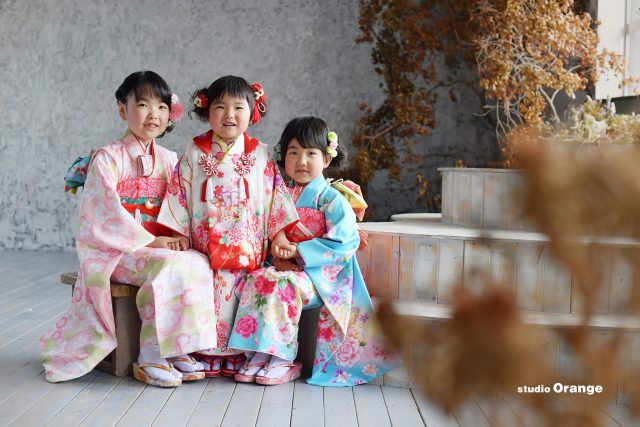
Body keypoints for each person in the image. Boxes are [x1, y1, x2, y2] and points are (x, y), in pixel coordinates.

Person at [41, 71, 217, 387]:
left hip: (157, 243)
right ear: (124, 109)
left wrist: (176, 235)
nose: (154, 114)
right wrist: (153, 241)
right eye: (144, 104)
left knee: (196, 260)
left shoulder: (169, 158)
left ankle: (180, 348)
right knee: (166, 265)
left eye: (162, 107)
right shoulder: (107, 158)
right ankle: (151, 355)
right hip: (119, 250)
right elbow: (103, 213)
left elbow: (180, 207)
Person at [228, 116, 398, 386]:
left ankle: (283, 359)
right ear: (283, 157)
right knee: (258, 279)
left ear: (327, 159)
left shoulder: (332, 199)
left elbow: (345, 243)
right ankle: (259, 354)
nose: (301, 161)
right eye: (293, 152)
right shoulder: (280, 194)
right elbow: (266, 230)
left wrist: (298, 251)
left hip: (323, 276)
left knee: (281, 285)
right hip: (287, 267)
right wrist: (278, 251)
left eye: (310, 153)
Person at [157, 76, 299, 377]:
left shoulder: (260, 154)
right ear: (208, 112)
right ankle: (206, 351)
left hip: (247, 241)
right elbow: (179, 192)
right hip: (205, 242)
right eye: (220, 107)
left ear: (252, 112)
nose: (229, 115)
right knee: (207, 290)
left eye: (238, 107)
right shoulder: (195, 151)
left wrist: (280, 233)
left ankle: (238, 353)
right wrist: (178, 231)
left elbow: (276, 196)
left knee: (241, 292)